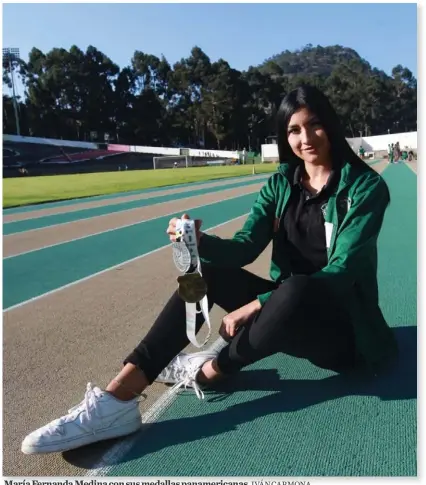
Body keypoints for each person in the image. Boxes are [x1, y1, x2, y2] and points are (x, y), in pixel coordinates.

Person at [21, 85, 398, 455]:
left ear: (330, 124)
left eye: (313, 124)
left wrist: (257, 305)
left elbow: (342, 272)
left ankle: (210, 372)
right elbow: (243, 248)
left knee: (296, 289)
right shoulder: (282, 183)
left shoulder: (365, 188)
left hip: (344, 332)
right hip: (284, 310)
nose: (306, 137)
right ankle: (116, 399)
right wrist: (201, 242)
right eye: (293, 130)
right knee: (211, 273)